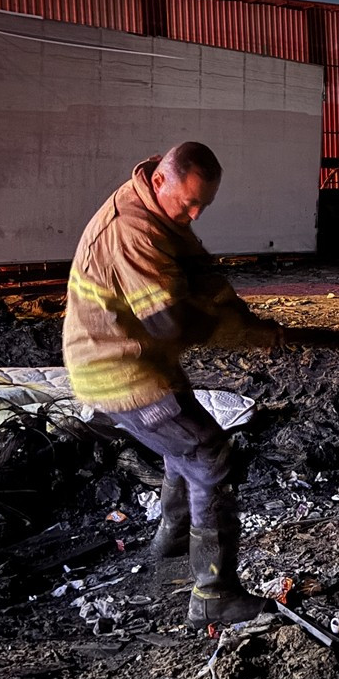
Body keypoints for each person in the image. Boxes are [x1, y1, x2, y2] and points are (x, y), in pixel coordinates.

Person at [63, 141, 283, 628]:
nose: (196, 214)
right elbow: (169, 322)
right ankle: (213, 594)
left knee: (181, 438)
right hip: (116, 369)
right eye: (189, 203)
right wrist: (239, 334)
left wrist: (247, 319)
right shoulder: (133, 228)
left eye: (203, 204)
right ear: (160, 180)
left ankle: (173, 535)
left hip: (143, 358)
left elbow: (202, 276)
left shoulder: (163, 210)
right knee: (209, 455)